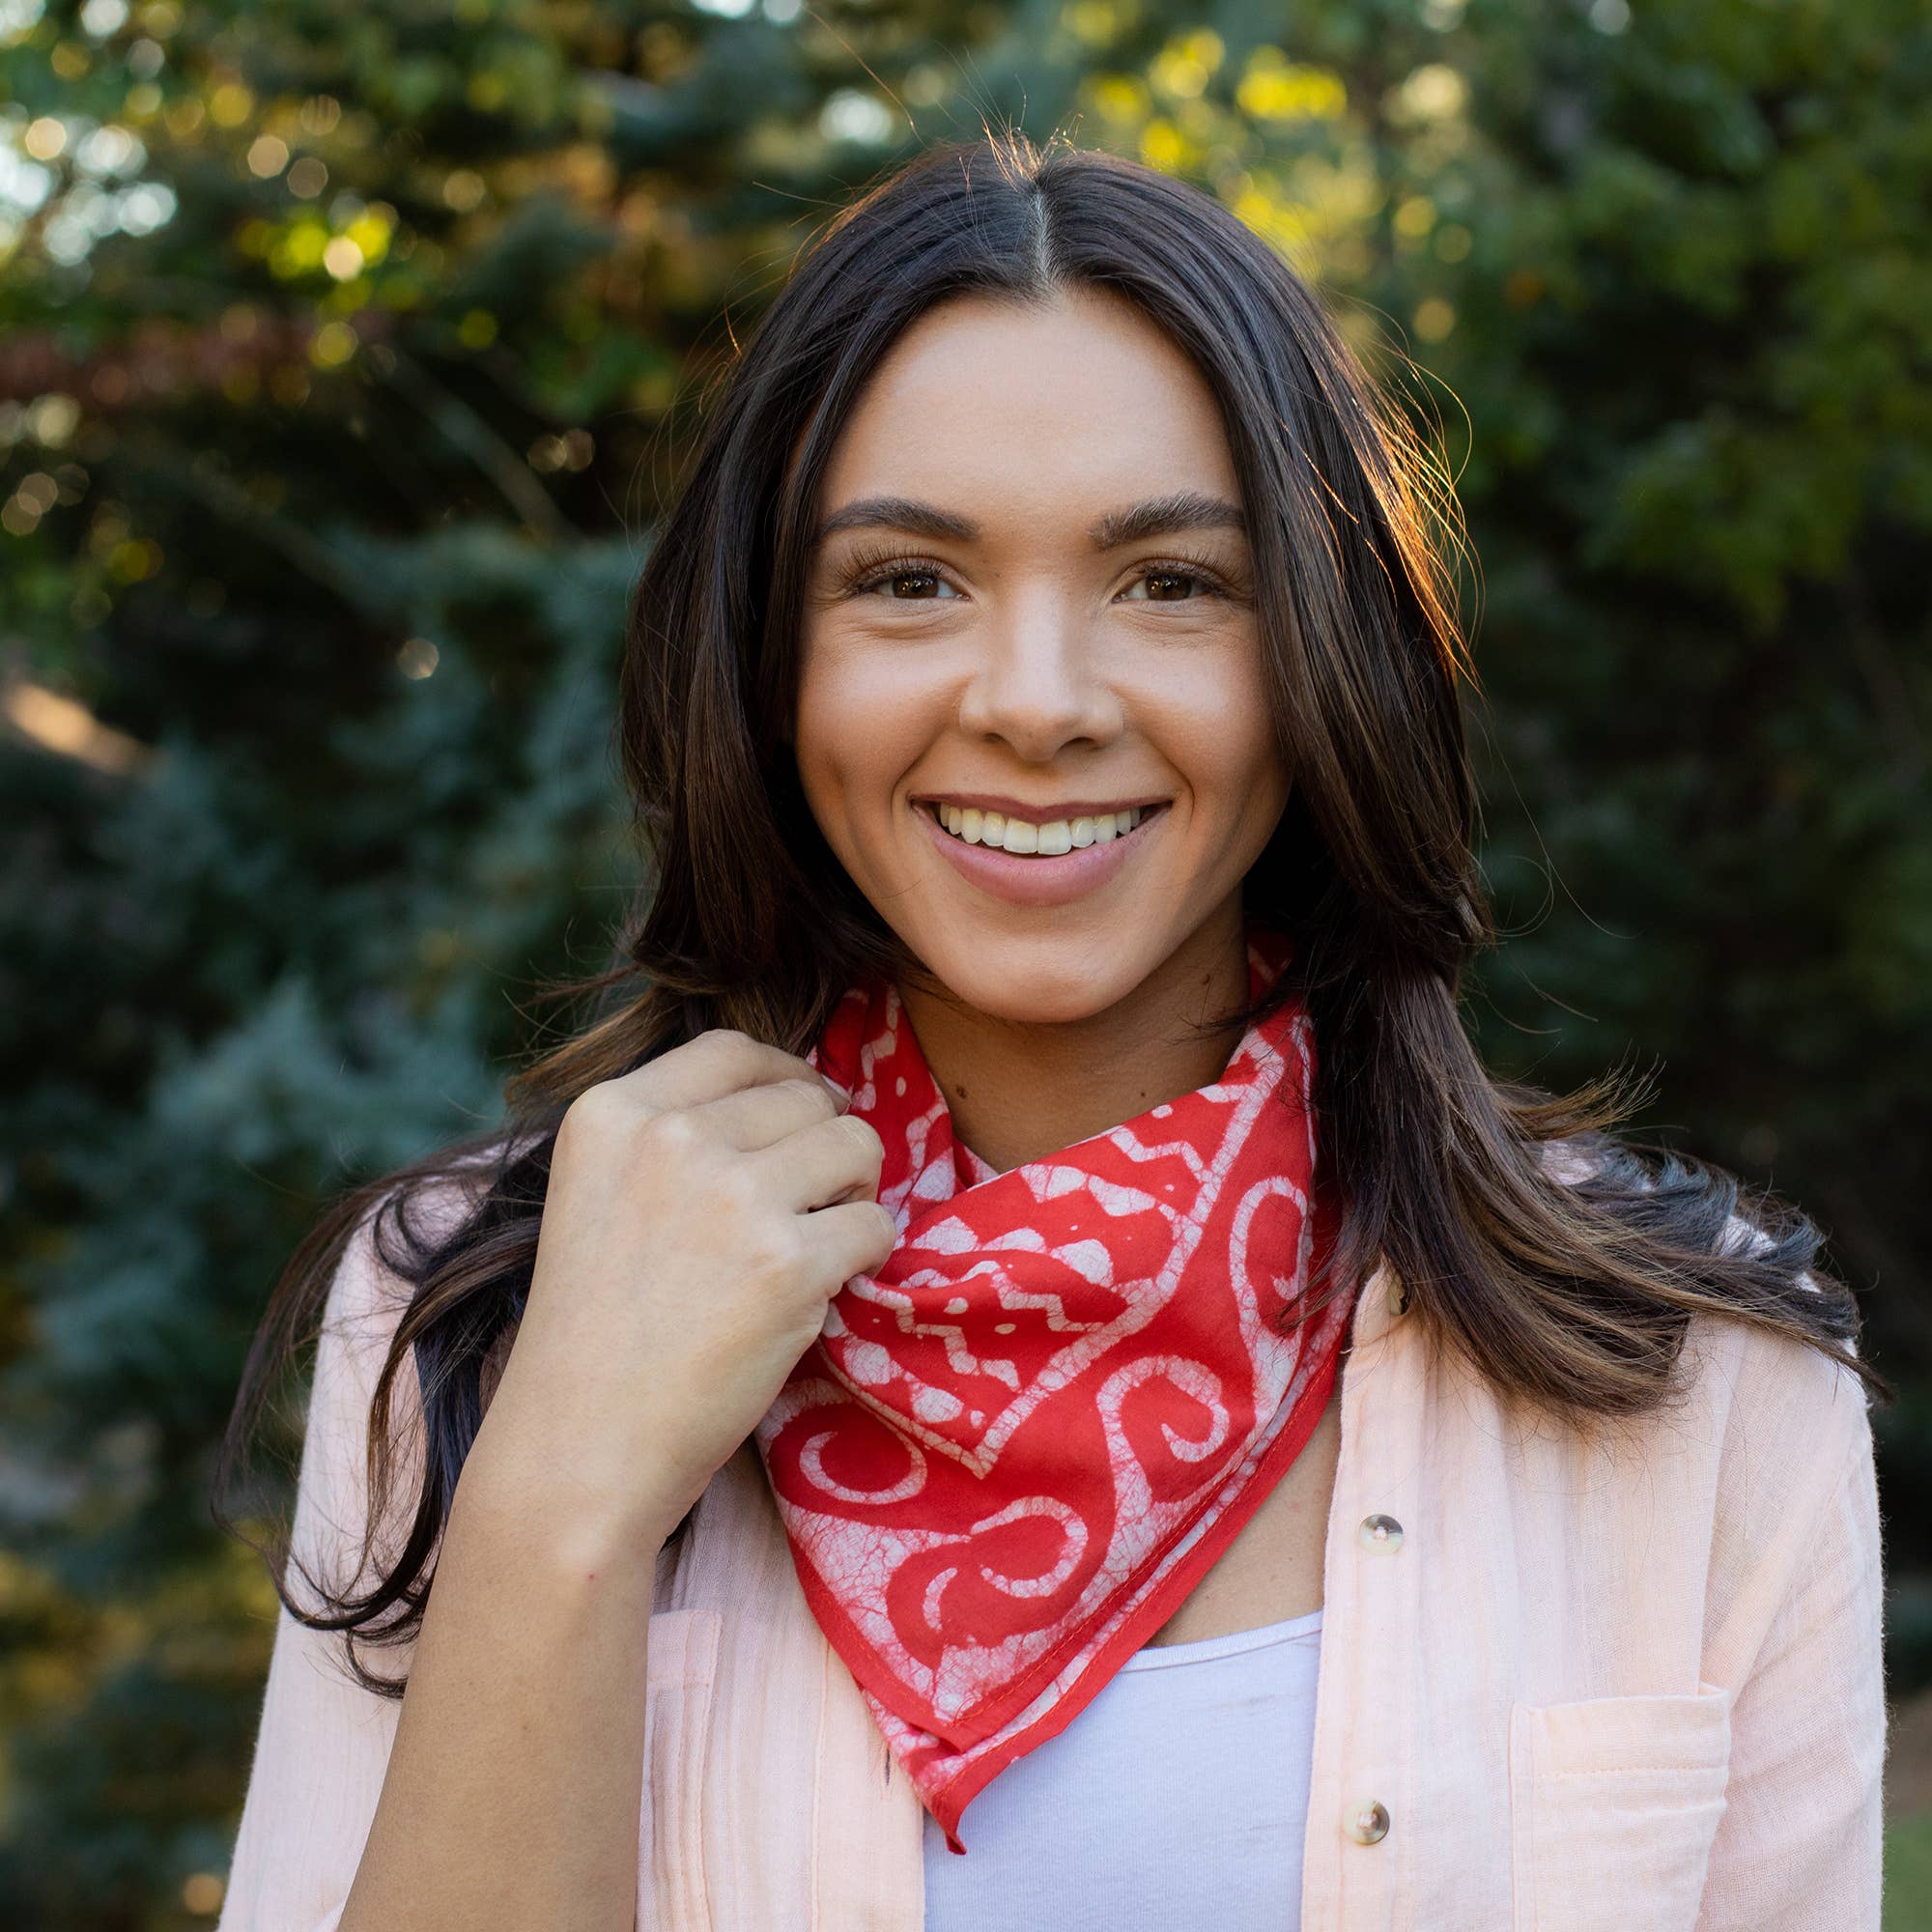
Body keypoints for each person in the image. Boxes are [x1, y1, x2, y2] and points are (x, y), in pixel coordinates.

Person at [209, 128, 1889, 1932]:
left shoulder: (1703, 1383)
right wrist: (559, 1497)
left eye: (1171, 582)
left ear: (1325, 654)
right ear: (768, 659)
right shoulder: (476, 1309)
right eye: (907, 581)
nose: (1035, 703)